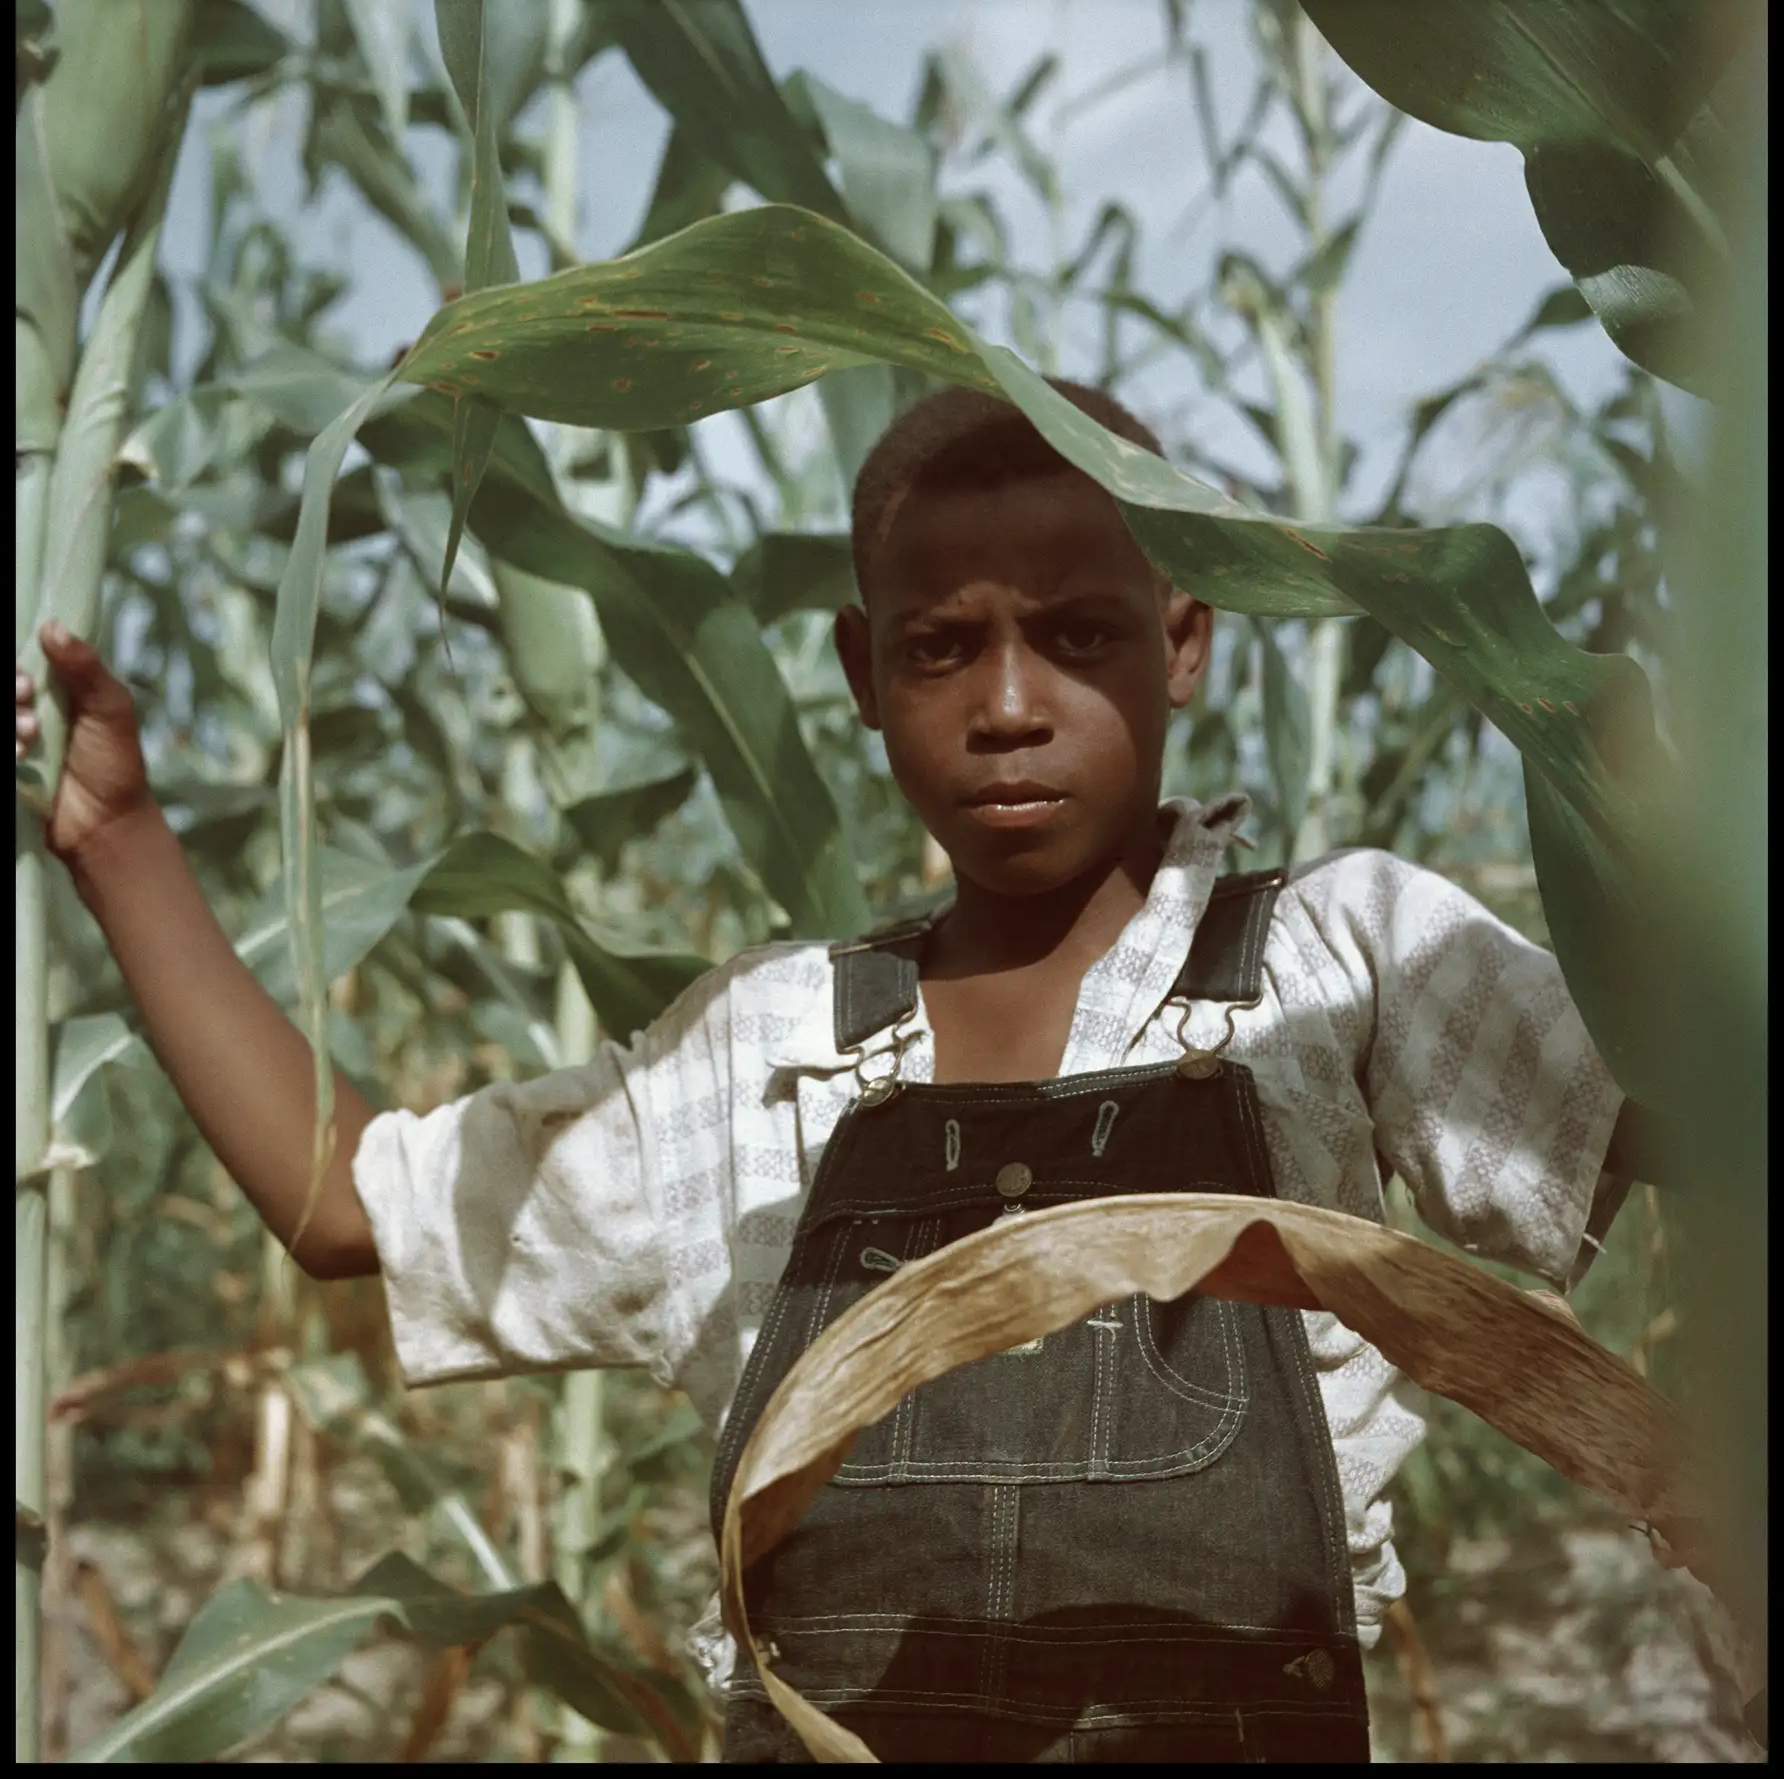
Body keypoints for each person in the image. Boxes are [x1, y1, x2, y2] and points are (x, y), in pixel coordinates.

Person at [17, 379, 1658, 1762]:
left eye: (1079, 636)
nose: (1012, 707)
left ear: (1185, 643)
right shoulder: (768, 1049)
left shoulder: (1339, 966)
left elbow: (1690, 1116)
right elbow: (353, 1206)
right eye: (947, 650)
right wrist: (120, 838)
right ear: (864, 677)